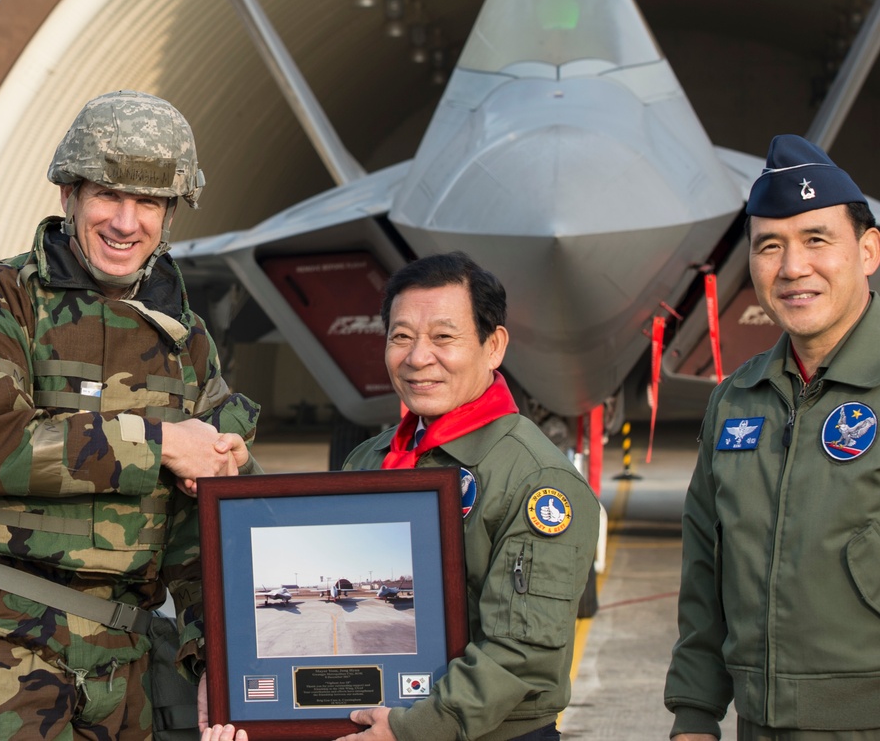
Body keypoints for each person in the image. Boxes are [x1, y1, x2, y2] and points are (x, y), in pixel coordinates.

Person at [0, 90, 261, 740]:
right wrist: (161, 442)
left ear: (169, 215)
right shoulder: (0, 301)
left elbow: (203, 524)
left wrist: (215, 657)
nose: (126, 221)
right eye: (108, 195)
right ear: (68, 197)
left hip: (123, 664)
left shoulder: (186, 341)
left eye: (150, 203)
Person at [664, 134, 880, 740]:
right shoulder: (736, 400)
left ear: (867, 251)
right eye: (770, 246)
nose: (792, 268)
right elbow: (706, 577)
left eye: (817, 240)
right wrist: (695, 715)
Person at [338, 251, 600, 741]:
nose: (418, 358)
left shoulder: (538, 479)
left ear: (493, 345)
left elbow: (519, 652)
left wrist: (414, 730)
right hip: (384, 721)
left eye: (443, 336)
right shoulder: (370, 460)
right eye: (401, 337)